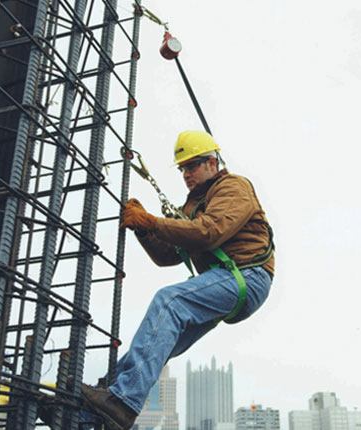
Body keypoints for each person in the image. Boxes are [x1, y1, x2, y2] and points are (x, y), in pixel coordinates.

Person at [80, 130, 275, 429]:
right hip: (226, 279)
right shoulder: (192, 205)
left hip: (248, 275)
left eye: (192, 165)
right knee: (159, 340)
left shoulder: (233, 188)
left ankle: (122, 403)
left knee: (169, 301)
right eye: (183, 168)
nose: (186, 173)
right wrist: (144, 229)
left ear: (212, 162)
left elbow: (209, 232)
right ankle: (91, 414)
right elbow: (167, 256)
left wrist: (153, 221)